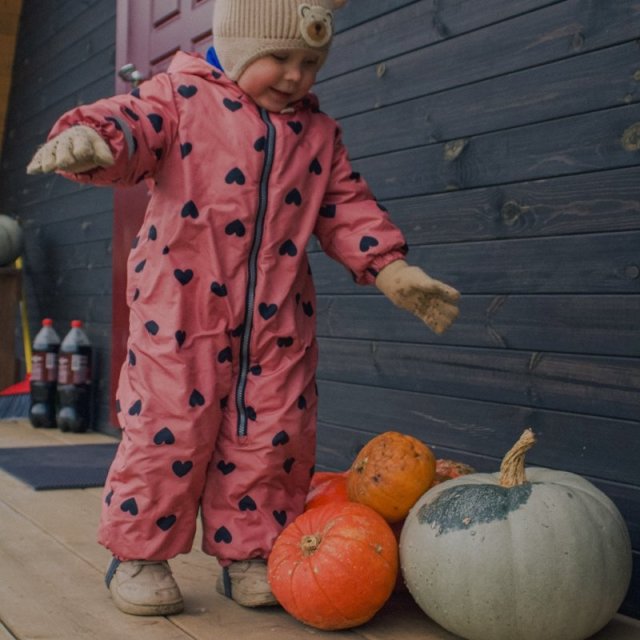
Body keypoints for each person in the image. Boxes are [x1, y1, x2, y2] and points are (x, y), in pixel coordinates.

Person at [27, 0, 460, 617]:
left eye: (311, 62)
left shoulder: (318, 134)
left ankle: (252, 554)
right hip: (178, 314)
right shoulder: (179, 99)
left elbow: (345, 207)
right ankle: (140, 554)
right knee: (167, 432)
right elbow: (133, 125)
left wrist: (391, 268)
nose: (295, 75)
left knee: (273, 436)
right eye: (279, 58)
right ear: (235, 46)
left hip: (279, 321)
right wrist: (93, 138)